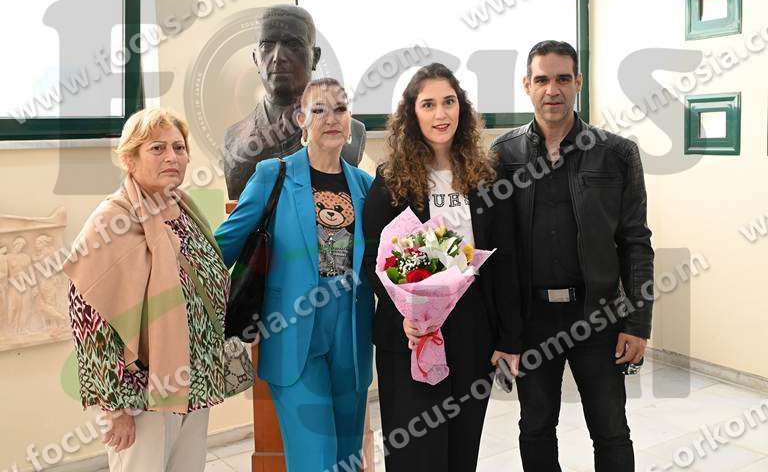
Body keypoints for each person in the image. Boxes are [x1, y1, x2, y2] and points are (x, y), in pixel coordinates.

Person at [490, 40, 654, 471]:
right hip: (532, 320)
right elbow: (493, 251)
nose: (553, 89)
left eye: (563, 78)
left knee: (611, 430)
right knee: (535, 427)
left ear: (578, 83)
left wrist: (638, 323)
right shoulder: (503, 155)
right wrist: (503, 332)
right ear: (526, 85)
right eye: (542, 79)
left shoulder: (617, 154)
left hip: (598, 315)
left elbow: (636, 243)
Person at [363, 63, 522, 471]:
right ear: (412, 114)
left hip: (473, 330)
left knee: (461, 448)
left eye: (449, 102)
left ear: (461, 109)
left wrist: (509, 338)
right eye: (429, 104)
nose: (440, 114)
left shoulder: (486, 178)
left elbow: (504, 262)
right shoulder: (391, 180)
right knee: (415, 450)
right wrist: (405, 316)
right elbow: (373, 260)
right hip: (412, 334)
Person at [215, 78, 374, 472]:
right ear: (302, 119)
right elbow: (224, 244)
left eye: (340, 109)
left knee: (347, 460)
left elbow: (389, 259)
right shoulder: (274, 175)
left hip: (352, 338)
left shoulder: (366, 186)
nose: (331, 118)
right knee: (315, 460)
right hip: (293, 335)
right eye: (319, 109)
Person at [63, 108, 232, 472]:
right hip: (141, 394)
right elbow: (88, 323)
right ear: (129, 159)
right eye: (157, 148)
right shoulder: (111, 222)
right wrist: (115, 409)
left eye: (179, 147)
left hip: (191, 383)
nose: (172, 157)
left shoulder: (182, 210)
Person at [223, 4, 366, 200]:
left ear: (315, 57)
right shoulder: (234, 140)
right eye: (267, 45)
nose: (278, 57)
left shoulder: (351, 132)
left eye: (293, 44)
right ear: (256, 59)